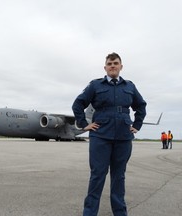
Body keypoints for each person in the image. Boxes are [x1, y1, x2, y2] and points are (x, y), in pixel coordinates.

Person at [72, 52, 147, 216]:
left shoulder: (130, 86)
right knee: (97, 176)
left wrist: (137, 125)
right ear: (105, 67)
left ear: (121, 66)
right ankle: (90, 213)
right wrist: (84, 125)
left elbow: (141, 106)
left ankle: (120, 213)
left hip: (123, 137)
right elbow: (78, 104)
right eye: (110, 63)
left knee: (119, 177)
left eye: (116, 63)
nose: (113, 66)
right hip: (100, 136)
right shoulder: (95, 85)